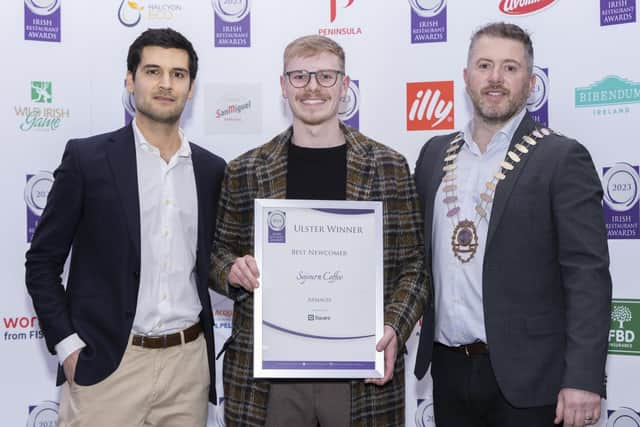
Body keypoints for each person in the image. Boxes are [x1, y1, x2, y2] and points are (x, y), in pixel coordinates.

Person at [210, 34, 428, 426]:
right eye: (299, 76)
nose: (312, 87)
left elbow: (415, 268)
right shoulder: (244, 170)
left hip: (359, 376)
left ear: (345, 86)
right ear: (282, 85)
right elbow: (216, 254)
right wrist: (231, 270)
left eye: (326, 76)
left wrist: (394, 325)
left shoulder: (389, 167)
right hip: (268, 378)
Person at [413, 22, 612, 427]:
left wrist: (584, 378)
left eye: (510, 68)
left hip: (532, 379)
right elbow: (415, 258)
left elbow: (587, 276)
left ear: (531, 81)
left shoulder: (561, 158)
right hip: (449, 372)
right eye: (484, 65)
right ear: (466, 76)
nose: (495, 79)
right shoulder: (434, 154)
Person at [25, 28, 226, 426]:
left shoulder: (211, 170)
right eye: (153, 71)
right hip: (108, 365)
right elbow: (42, 262)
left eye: (178, 74)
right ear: (130, 80)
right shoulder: (88, 159)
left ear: (191, 87)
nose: (166, 83)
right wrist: (68, 347)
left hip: (188, 368)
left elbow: (214, 262)